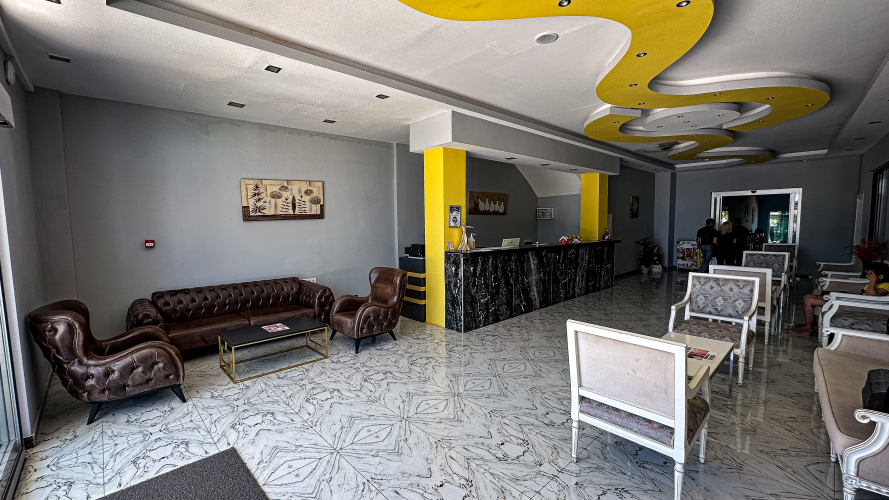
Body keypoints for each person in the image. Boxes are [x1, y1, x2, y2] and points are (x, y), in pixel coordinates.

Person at [789, 262, 889, 334]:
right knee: (807, 296)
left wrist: (872, 282)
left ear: (880, 276)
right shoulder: (877, 284)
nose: (867, 276)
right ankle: (812, 325)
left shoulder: (886, 286)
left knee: (809, 301)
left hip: (858, 306)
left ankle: (808, 327)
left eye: (870, 275)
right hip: (856, 300)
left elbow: (870, 297)